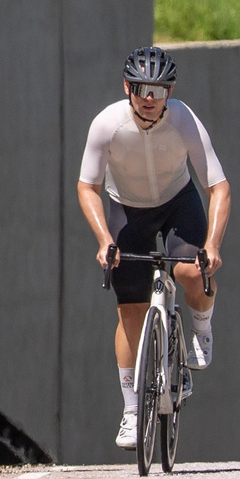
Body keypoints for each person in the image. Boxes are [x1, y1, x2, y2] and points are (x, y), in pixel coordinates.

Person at [77, 45, 230, 449]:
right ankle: (131, 411)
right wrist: (104, 240)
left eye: (159, 91)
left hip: (178, 204)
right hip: (126, 210)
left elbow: (218, 187)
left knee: (192, 270)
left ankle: (201, 328)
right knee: (131, 308)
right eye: (141, 88)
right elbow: (87, 186)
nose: (149, 98)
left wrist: (212, 245)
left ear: (170, 92)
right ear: (127, 87)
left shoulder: (183, 120)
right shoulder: (106, 124)